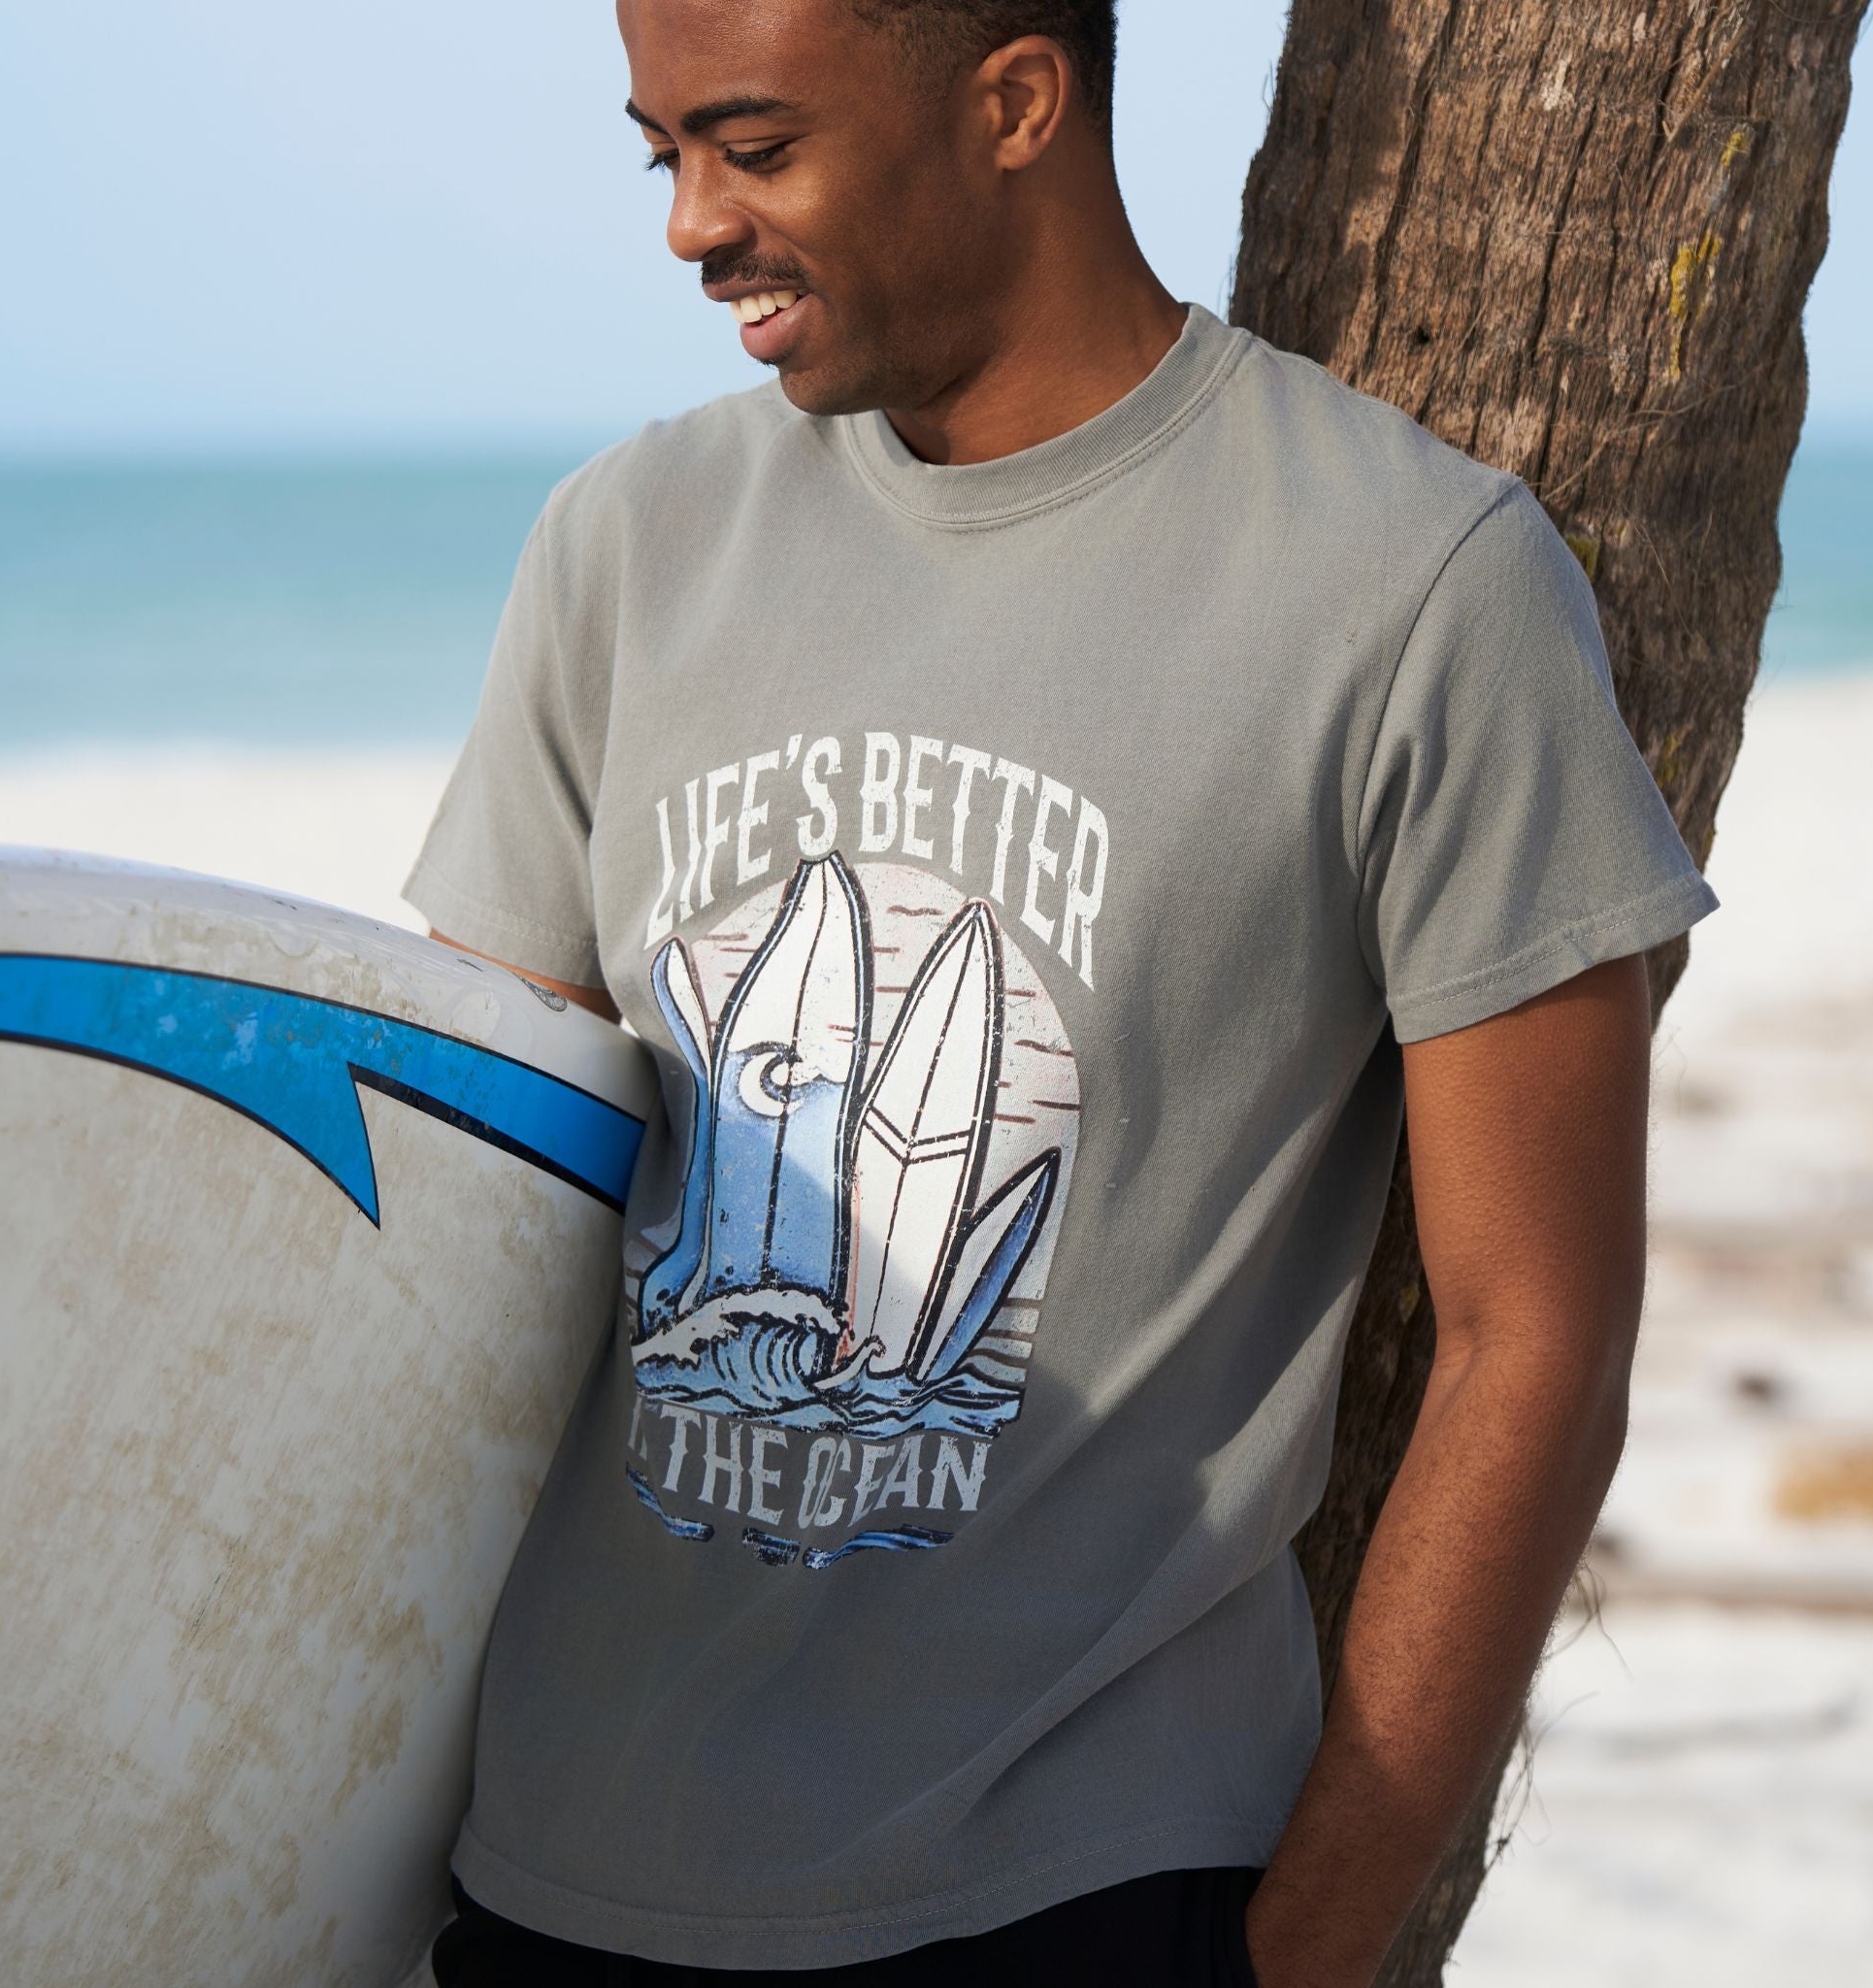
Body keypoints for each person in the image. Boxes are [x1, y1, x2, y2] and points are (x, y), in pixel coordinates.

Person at [406, 3, 1718, 1982]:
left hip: (1076, 1895)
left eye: (755, 147)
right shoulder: (627, 547)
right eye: (660, 154)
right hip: (559, 1876)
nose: (690, 224)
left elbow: (1536, 1337)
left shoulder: (1411, 582)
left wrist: (1308, 1944)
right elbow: (460, 1214)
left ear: (1016, 102)